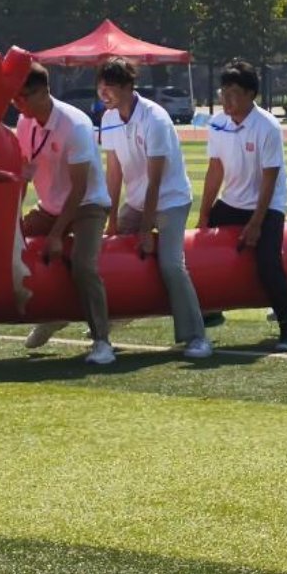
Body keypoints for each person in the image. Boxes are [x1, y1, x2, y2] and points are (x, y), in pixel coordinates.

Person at [97, 57, 211, 359]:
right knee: (105, 250)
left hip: (171, 199)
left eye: (110, 86)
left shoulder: (155, 118)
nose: (103, 92)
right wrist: (111, 221)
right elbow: (113, 174)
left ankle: (197, 337)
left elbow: (155, 180)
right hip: (137, 202)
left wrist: (146, 228)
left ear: (127, 87)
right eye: (101, 86)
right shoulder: (108, 118)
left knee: (171, 264)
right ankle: (115, 315)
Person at [13, 62, 116, 364]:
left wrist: (57, 233)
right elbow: (23, 173)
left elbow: (80, 187)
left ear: (43, 93)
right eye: (14, 98)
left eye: (22, 97)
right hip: (50, 206)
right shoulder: (25, 123)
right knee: (11, 244)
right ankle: (52, 314)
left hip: (87, 205)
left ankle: (102, 342)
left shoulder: (75, 125)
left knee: (84, 266)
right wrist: (13, 218)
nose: (17, 104)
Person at [199, 60, 287, 352]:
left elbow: (270, 177)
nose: (227, 99)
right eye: (224, 92)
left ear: (250, 94)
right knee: (201, 251)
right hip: (232, 201)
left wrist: (256, 223)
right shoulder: (217, 123)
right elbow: (215, 169)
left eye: (234, 93)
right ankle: (210, 310)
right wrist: (204, 215)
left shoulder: (267, 126)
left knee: (268, 262)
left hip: (267, 205)